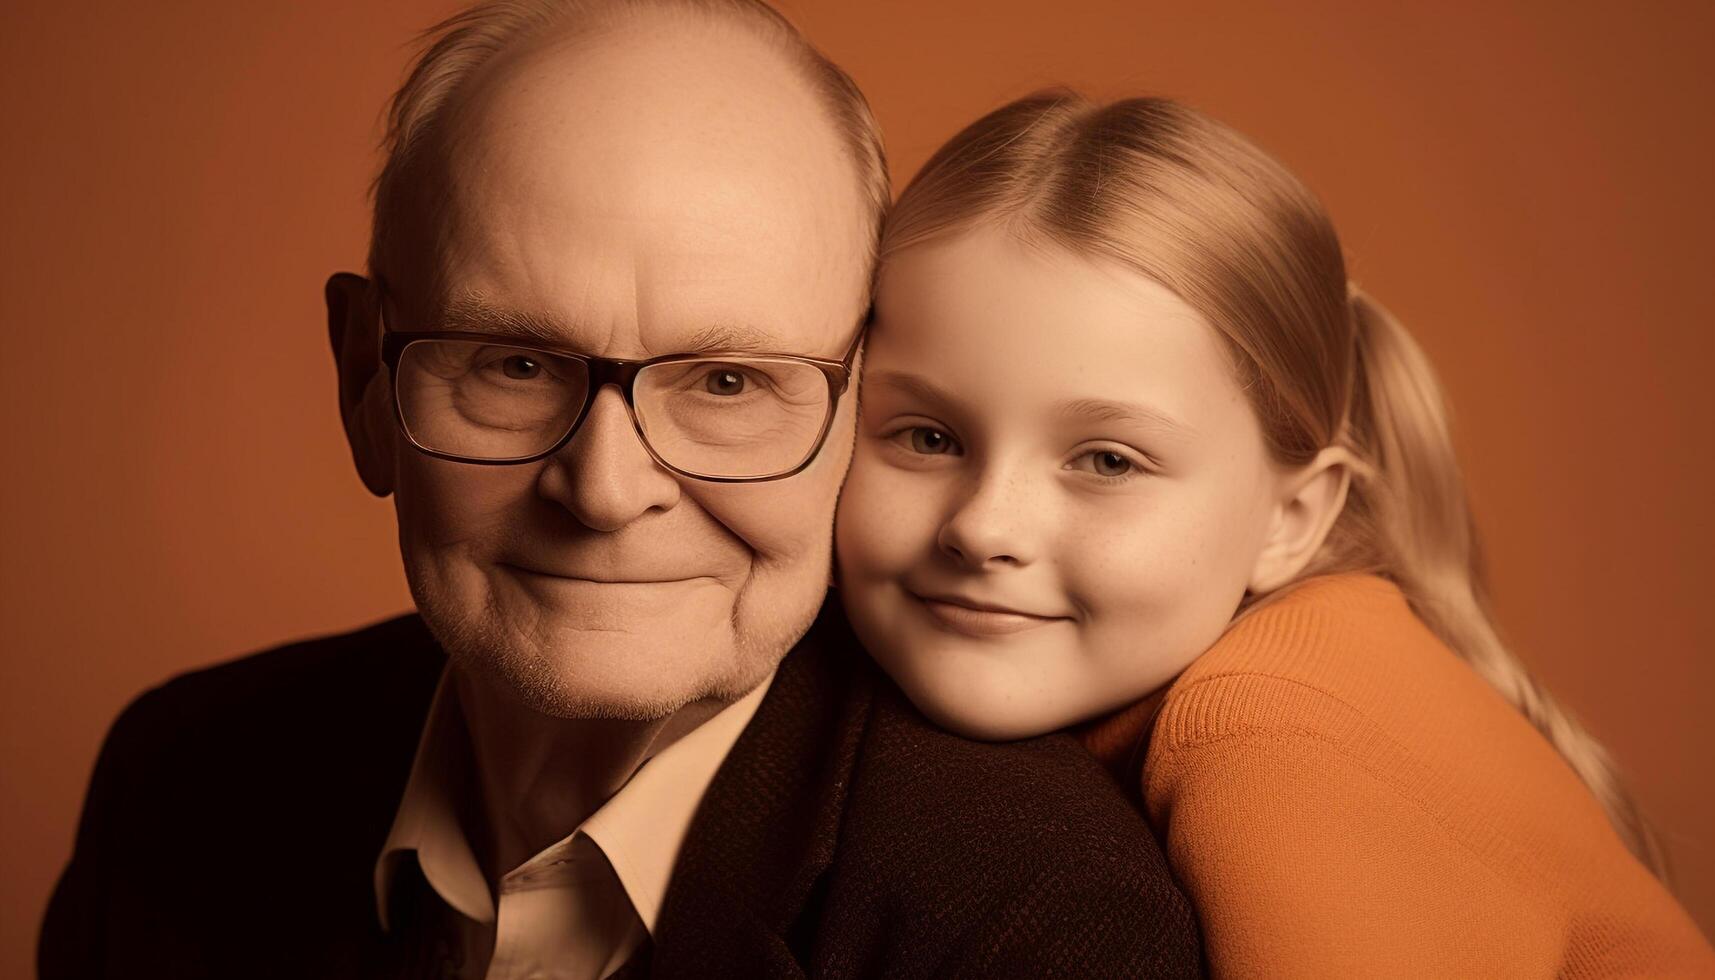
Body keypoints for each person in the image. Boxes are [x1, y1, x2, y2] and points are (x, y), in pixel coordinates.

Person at [37, 7, 1203, 979]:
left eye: (730, 380)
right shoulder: (181, 775)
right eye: (514, 363)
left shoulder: (1031, 922)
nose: (603, 488)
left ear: (857, 409)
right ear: (361, 381)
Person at [835, 91, 1715, 976]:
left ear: (1290, 519)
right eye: (927, 438)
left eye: (1106, 462)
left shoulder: (1272, 735)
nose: (982, 527)